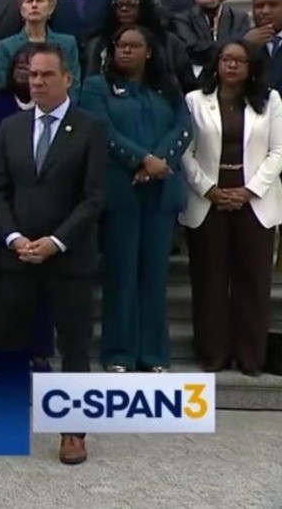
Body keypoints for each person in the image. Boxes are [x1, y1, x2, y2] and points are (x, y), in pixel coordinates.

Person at [0, 42, 107, 465]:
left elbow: (94, 198)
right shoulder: (11, 127)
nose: (36, 81)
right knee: (6, 340)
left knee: (74, 346)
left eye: (45, 75)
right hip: (18, 256)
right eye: (31, 74)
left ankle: (73, 432)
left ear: (67, 78)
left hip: (69, 258)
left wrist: (57, 241)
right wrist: (14, 237)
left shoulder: (90, 128)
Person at [80, 24, 191, 373]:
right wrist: (142, 160)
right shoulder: (97, 87)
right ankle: (119, 353)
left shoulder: (167, 87)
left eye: (133, 45)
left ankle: (155, 354)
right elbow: (101, 130)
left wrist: (160, 161)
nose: (125, 51)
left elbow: (183, 127)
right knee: (122, 274)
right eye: (119, 45)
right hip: (121, 191)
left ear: (149, 51)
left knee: (154, 275)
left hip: (160, 191)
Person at [180, 39, 282, 376]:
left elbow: (278, 152)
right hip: (208, 201)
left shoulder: (271, 101)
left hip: (254, 202)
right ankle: (214, 353)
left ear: (251, 66)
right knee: (209, 279)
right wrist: (208, 188)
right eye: (226, 59)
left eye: (239, 60)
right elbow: (185, 152)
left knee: (252, 282)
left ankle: (250, 357)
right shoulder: (195, 101)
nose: (232, 66)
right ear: (217, 63)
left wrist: (249, 191)